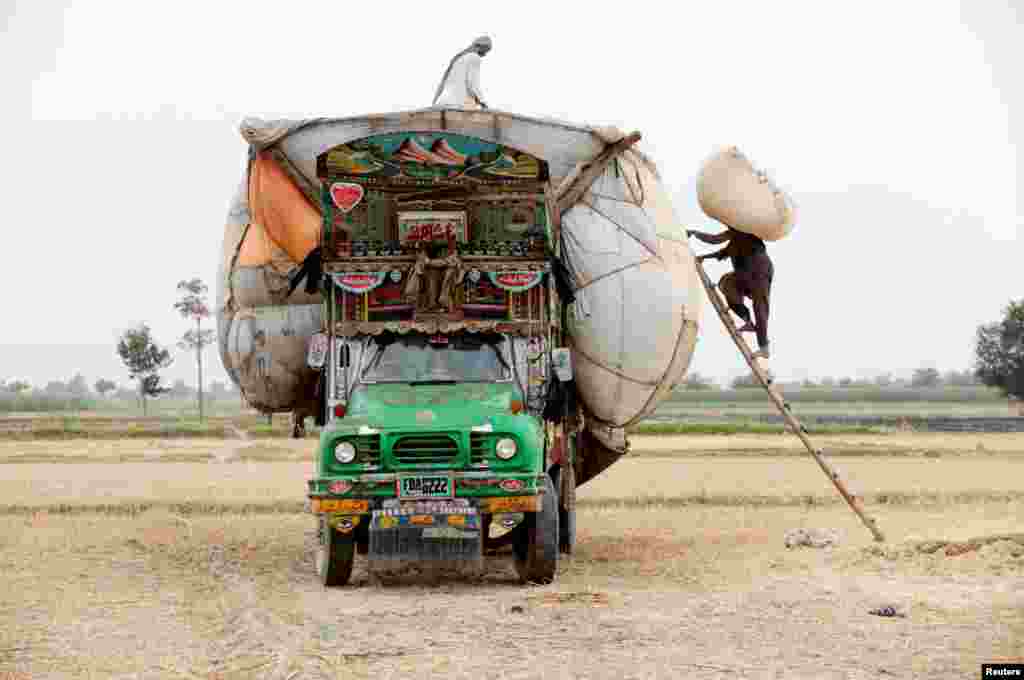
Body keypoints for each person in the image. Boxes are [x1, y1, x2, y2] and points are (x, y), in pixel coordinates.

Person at [688, 227, 774, 359]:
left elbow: (714, 239)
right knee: (727, 283)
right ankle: (747, 321)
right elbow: (721, 253)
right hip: (745, 274)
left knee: (760, 307)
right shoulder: (734, 242)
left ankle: (764, 347)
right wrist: (704, 257)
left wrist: (695, 233)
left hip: (759, 269)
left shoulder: (742, 229)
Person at [432, 36, 492, 109]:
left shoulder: (458, 59)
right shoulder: (474, 57)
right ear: (482, 47)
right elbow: (472, 83)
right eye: (486, 51)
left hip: (442, 102)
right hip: (458, 103)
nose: (484, 55)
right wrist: (483, 102)